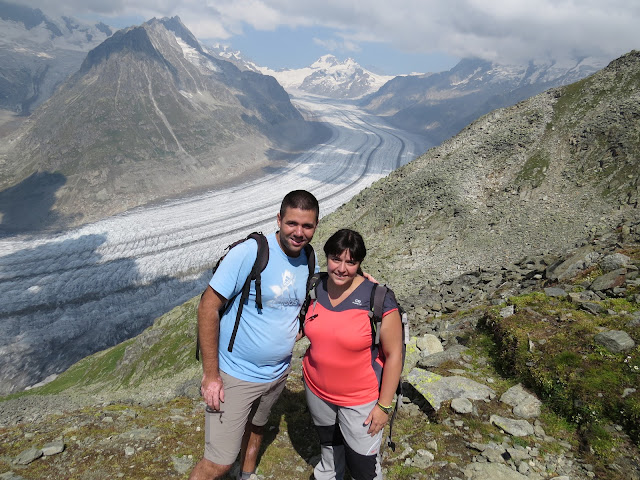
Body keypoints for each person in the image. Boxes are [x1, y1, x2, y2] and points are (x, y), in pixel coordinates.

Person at [189, 190, 319, 480]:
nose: (299, 232)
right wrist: (211, 376)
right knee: (219, 461)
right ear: (279, 219)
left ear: (315, 226)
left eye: (307, 226)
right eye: (292, 223)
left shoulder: (310, 259)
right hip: (235, 375)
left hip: (277, 375)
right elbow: (208, 308)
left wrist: (362, 283)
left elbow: (312, 299)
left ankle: (246, 476)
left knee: (257, 429)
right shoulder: (251, 252)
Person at [302, 229, 403, 480]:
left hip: (360, 400)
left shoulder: (378, 298)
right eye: (336, 259)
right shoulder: (316, 285)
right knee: (329, 450)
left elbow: (394, 356)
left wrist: (383, 406)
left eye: (351, 262)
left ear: (359, 264)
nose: (342, 268)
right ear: (327, 257)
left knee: (363, 468)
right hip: (317, 390)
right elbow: (303, 326)